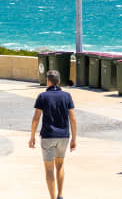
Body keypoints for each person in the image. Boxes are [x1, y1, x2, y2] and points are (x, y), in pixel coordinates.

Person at [29, 70, 77, 199]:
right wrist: (74, 139)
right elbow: (73, 119)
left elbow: (36, 118)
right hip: (63, 136)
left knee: (49, 169)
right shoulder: (67, 96)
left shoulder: (43, 96)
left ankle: (52, 198)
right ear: (59, 81)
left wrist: (32, 137)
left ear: (48, 81)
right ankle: (60, 195)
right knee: (60, 166)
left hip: (48, 136)